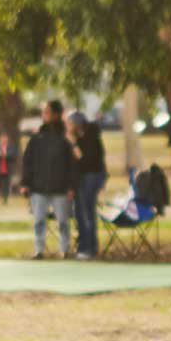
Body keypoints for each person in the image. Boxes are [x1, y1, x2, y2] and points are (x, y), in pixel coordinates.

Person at [22, 99, 77, 258]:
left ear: (56, 114)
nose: (44, 115)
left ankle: (64, 249)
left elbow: (71, 166)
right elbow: (28, 162)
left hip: (60, 189)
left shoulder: (65, 140)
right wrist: (26, 183)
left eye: (47, 112)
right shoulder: (37, 139)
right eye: (43, 112)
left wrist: (71, 186)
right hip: (39, 188)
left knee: (63, 222)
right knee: (39, 221)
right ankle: (39, 249)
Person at [71, 111, 108, 260]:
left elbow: (85, 158)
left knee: (87, 211)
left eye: (70, 123)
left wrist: (73, 143)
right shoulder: (82, 137)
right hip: (83, 178)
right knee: (80, 211)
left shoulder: (90, 137)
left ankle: (90, 247)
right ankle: (84, 245)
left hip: (91, 176)